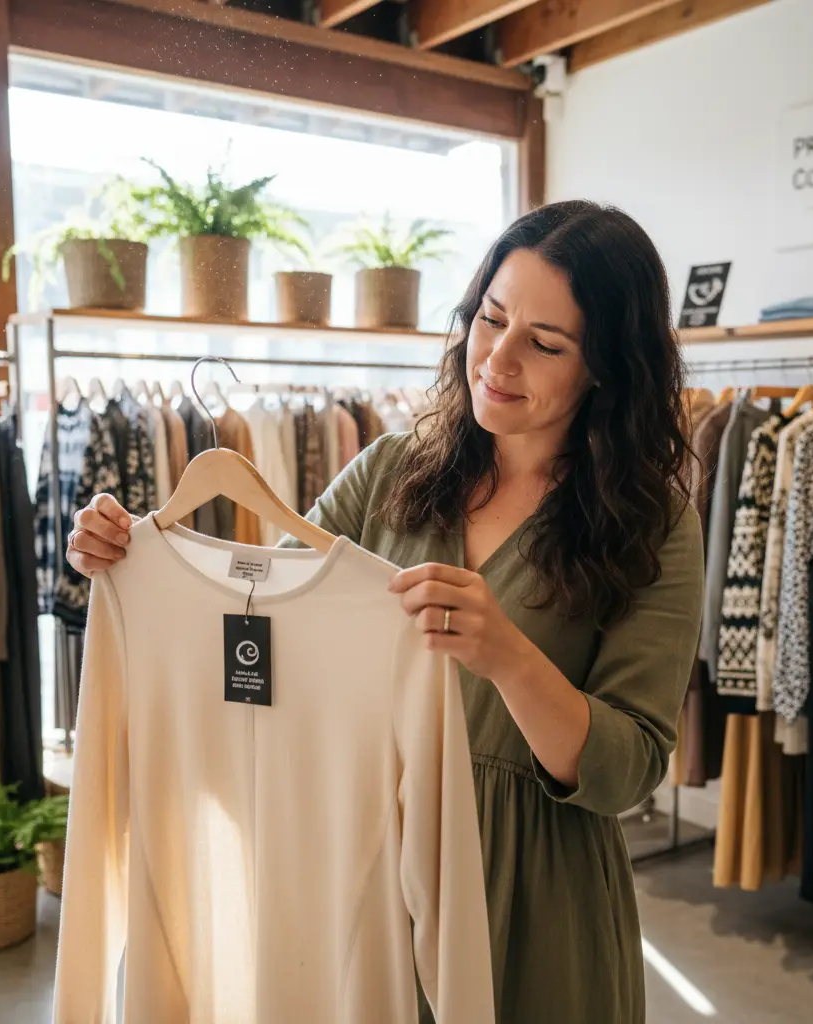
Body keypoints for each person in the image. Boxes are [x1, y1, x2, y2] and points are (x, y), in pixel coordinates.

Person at [65, 200, 704, 1023]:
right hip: (367, 868)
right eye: (491, 319)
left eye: (544, 344)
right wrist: (132, 564)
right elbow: (267, 628)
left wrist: (506, 653)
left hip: (535, 896)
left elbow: (629, 767)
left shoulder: (650, 526)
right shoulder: (394, 473)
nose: (498, 359)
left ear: (608, 367)